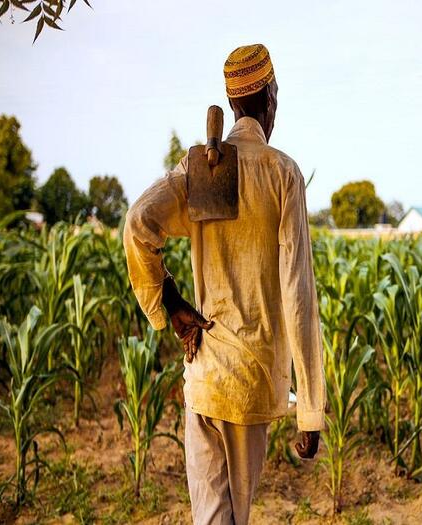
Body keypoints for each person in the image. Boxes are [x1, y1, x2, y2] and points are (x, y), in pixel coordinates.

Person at [123, 44, 325, 525]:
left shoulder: (201, 168)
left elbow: (137, 223)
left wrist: (170, 302)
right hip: (251, 385)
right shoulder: (282, 174)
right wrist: (311, 411)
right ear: (269, 99)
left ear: (234, 104)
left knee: (210, 518)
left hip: (205, 377)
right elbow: (299, 294)